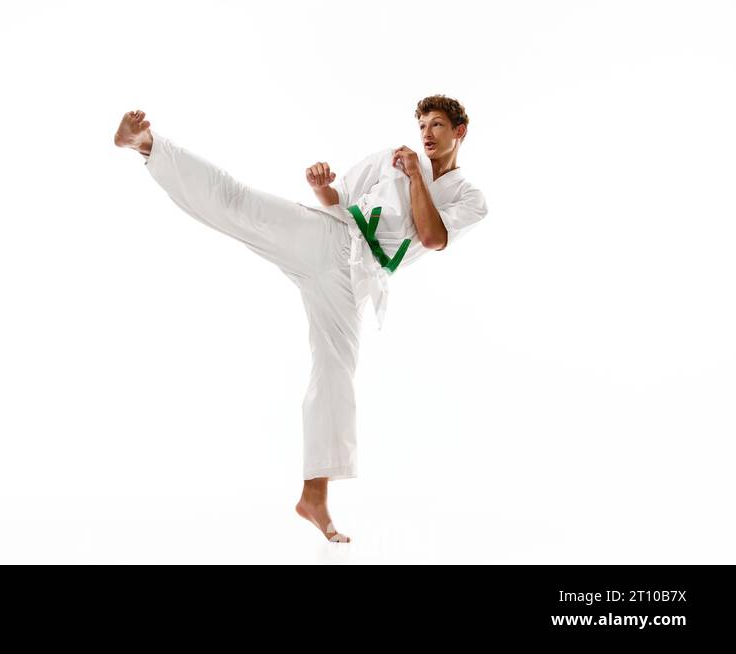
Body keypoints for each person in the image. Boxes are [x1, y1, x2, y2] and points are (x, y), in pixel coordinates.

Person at [112, 95, 489, 543]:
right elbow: (337, 200)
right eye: (423, 124)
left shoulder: (469, 197)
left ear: (459, 132)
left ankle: (314, 497)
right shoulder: (389, 158)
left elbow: (431, 235)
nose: (426, 133)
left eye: (438, 125)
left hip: (357, 282)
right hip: (330, 237)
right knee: (239, 204)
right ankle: (148, 144)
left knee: (335, 375)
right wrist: (321, 184)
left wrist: (413, 177)